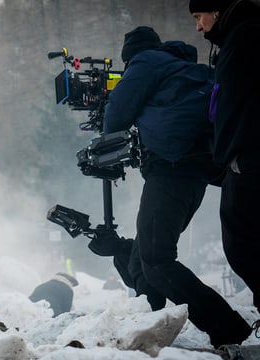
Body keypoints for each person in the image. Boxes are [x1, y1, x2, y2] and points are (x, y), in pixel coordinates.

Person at [101, 26, 252, 348]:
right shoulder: (184, 70)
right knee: (144, 258)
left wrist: (103, 137)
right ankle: (148, 323)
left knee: (156, 258)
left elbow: (116, 117)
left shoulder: (145, 62)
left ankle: (229, 329)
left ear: (132, 57)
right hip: (197, 169)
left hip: (172, 167)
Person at [189, 0, 260, 321]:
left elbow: (230, 107)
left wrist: (224, 158)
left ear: (216, 10)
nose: (198, 26)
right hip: (243, 157)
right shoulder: (241, 36)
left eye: (199, 16)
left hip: (247, 159)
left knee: (242, 246)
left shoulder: (245, 38)